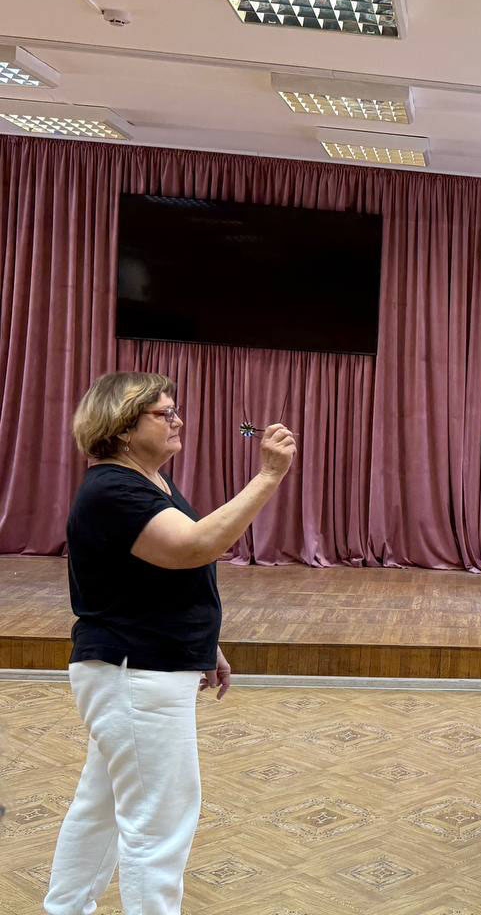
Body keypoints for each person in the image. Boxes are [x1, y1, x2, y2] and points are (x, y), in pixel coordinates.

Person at [44, 372, 295, 915]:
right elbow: (194, 546)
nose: (178, 420)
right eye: (164, 413)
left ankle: (65, 908)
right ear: (123, 427)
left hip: (139, 666)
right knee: (159, 825)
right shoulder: (114, 489)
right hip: (134, 671)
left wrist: (203, 645)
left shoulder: (146, 481)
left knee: (101, 810)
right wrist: (269, 476)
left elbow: (167, 576)